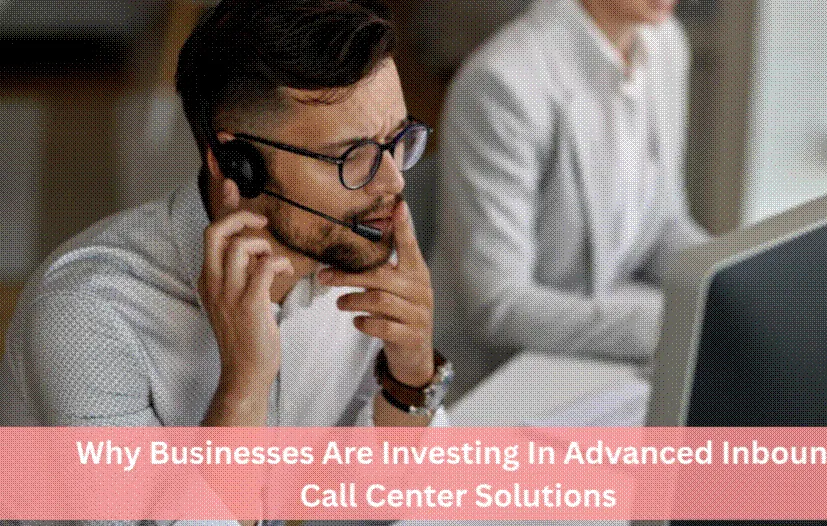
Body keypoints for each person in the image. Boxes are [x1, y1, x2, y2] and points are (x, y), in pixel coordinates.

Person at [2, 0, 449, 476]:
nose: (393, 184)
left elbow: (372, 493)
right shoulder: (86, 317)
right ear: (238, 164)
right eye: (350, 156)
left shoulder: (357, 236)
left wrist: (409, 378)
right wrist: (244, 384)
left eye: (398, 141)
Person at [431, 0, 710, 398]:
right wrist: (678, 326)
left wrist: (733, 285)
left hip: (596, 352)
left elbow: (662, 226)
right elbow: (497, 306)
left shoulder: (665, 43)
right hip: (498, 379)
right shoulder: (502, 81)